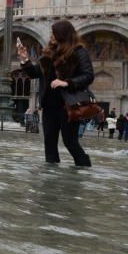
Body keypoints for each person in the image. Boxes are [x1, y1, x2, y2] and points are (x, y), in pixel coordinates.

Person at [18, 19, 94, 166]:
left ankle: (84, 167)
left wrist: (67, 82)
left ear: (63, 34)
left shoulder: (79, 52)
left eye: (53, 33)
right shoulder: (48, 53)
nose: (51, 36)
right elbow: (35, 73)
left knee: (70, 141)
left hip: (69, 104)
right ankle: (51, 175)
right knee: (49, 142)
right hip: (49, 105)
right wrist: (25, 60)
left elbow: (88, 75)